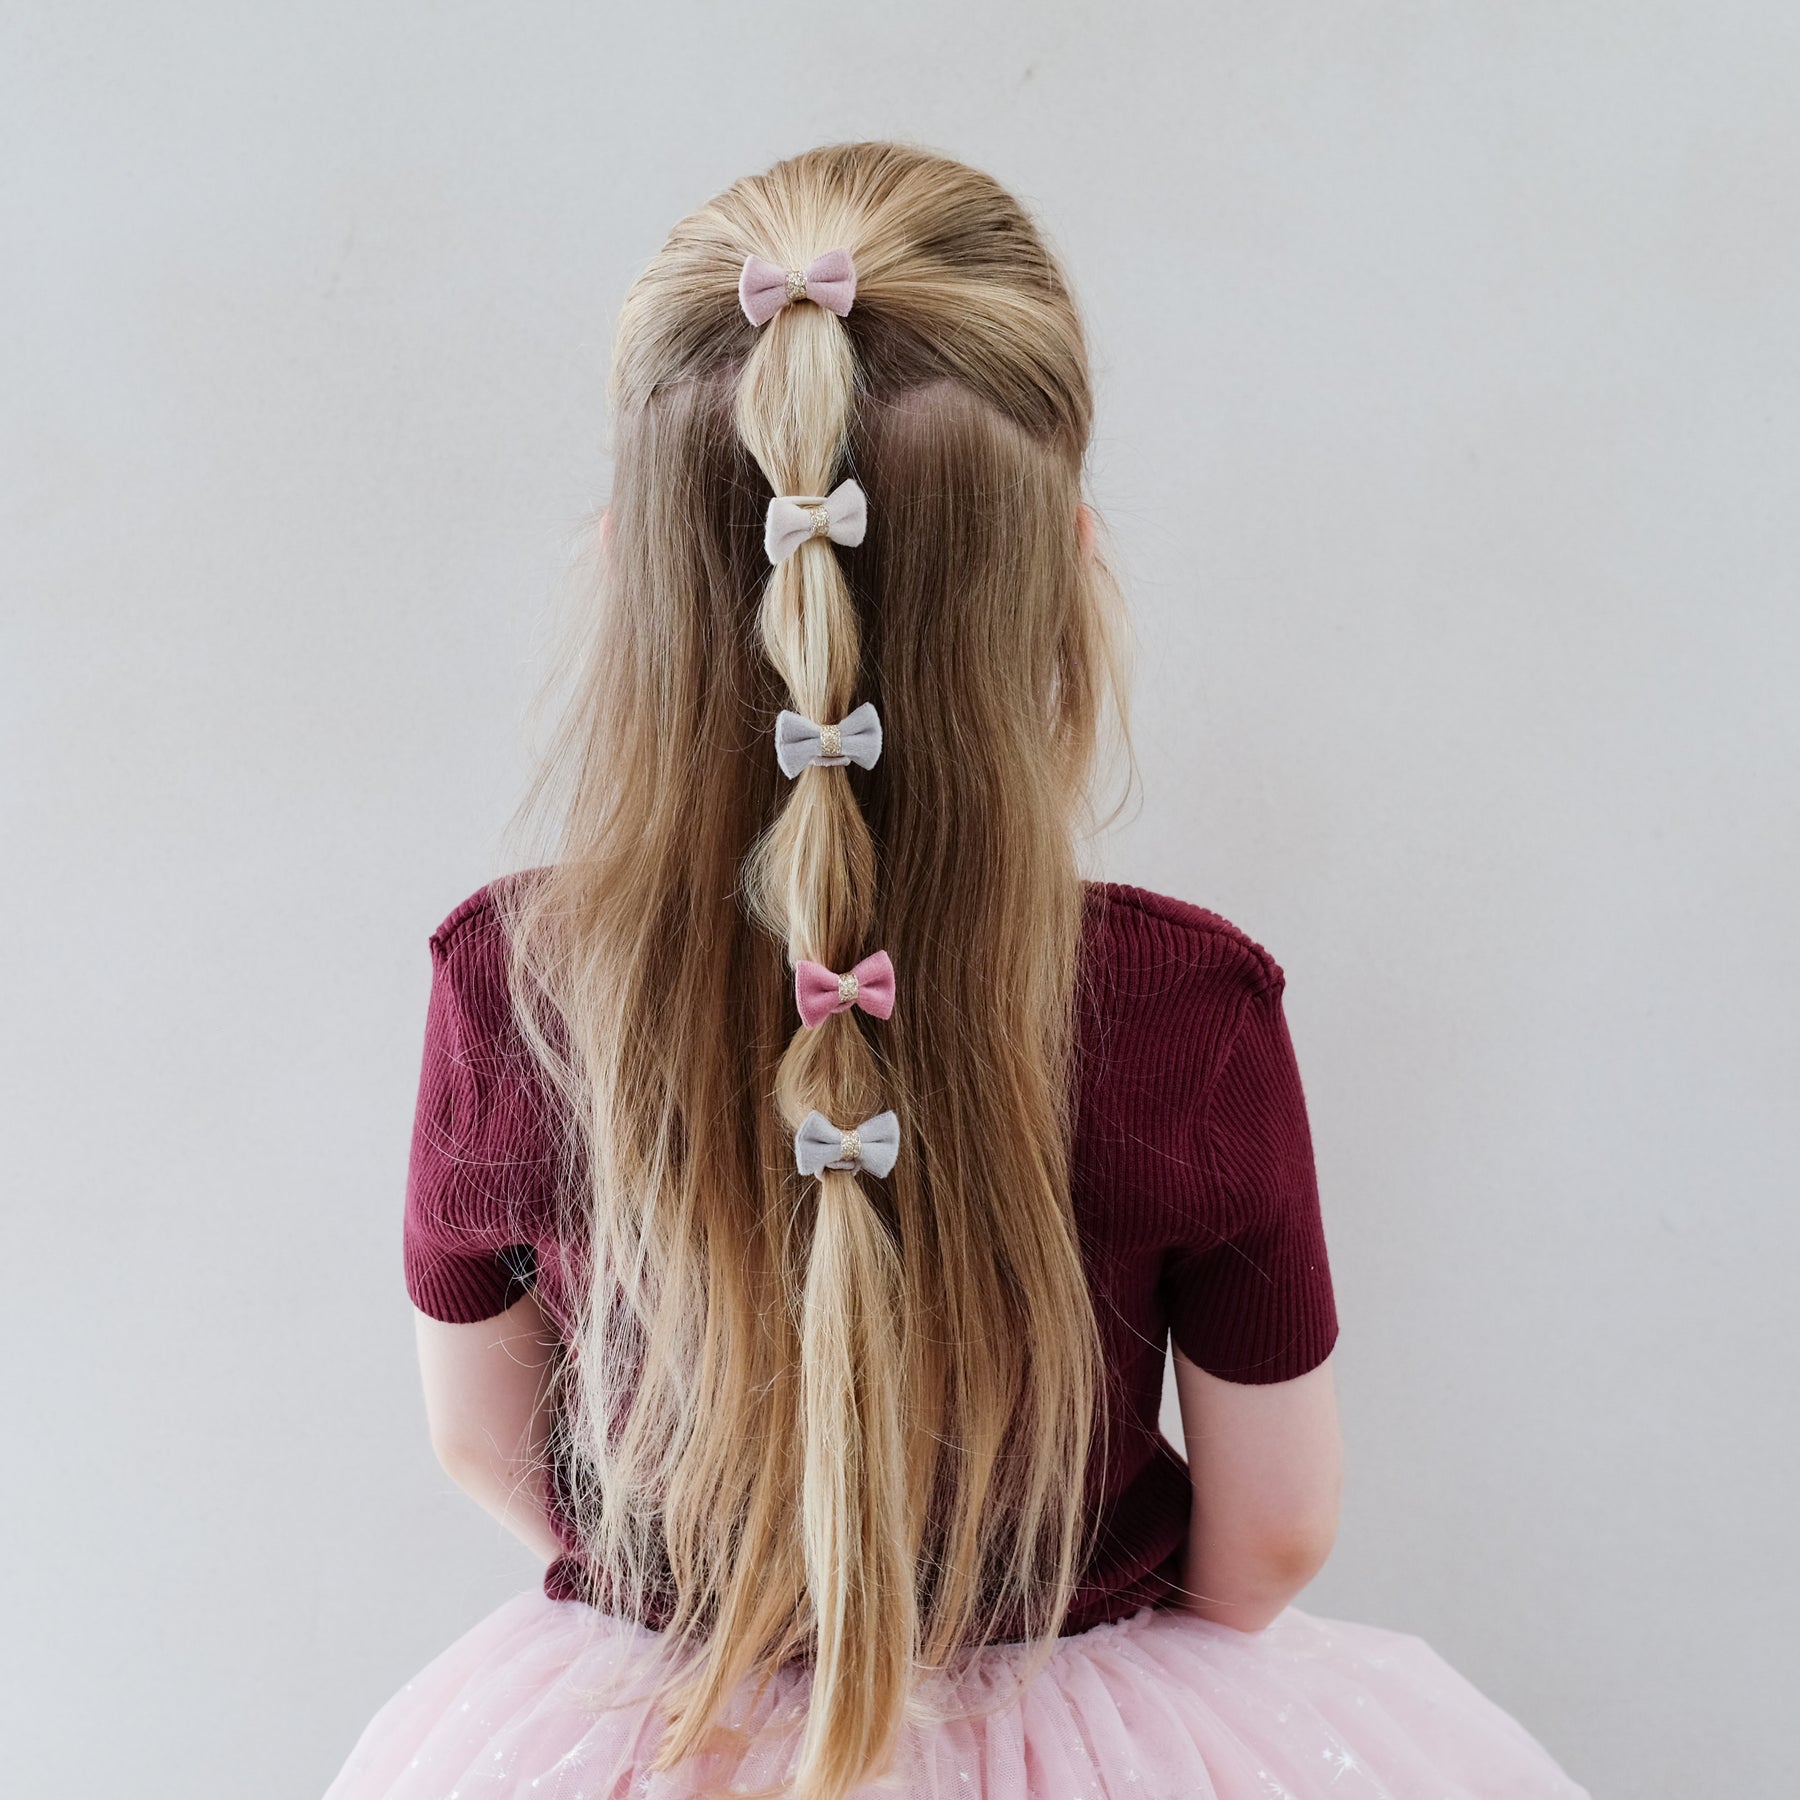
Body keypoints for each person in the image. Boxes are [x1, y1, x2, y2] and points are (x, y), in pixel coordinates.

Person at [324, 142, 1590, 1800]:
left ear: (635, 557)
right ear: (1067, 559)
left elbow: (483, 1441)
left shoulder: (516, 986)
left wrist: (730, 1589)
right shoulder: (1187, 1011)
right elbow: (1274, 1532)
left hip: (659, 1737)